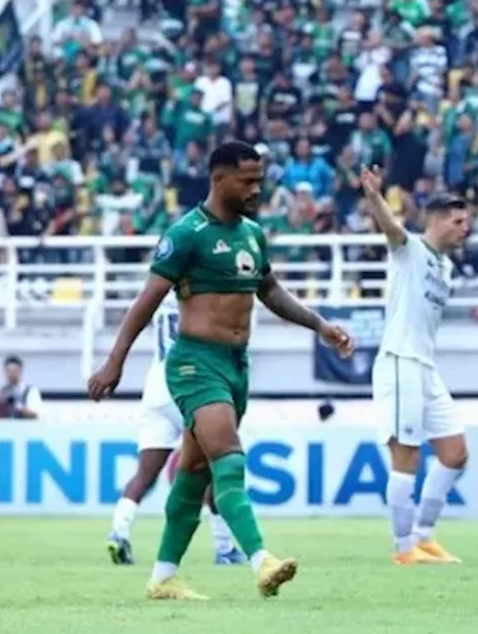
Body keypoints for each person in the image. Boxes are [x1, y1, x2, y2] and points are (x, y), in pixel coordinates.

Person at [87, 140, 355, 600]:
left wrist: (319, 325)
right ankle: (260, 561)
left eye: (259, 180)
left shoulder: (252, 233)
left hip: (236, 367)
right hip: (195, 364)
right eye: (247, 180)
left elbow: (269, 291)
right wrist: (116, 360)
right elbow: (147, 299)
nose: (257, 189)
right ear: (218, 179)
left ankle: (163, 577)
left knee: (193, 473)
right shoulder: (187, 232)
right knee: (228, 456)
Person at [364, 167, 473, 565]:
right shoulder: (409, 249)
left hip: (426, 367)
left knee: (456, 452)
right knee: (406, 456)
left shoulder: (446, 267)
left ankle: (424, 535)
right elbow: (392, 230)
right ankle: (402, 546)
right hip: (400, 361)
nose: (465, 230)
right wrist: (375, 197)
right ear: (438, 220)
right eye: (459, 222)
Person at [105, 288, 242, 567]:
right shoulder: (201, 292)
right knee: (217, 465)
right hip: (187, 381)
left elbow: (134, 315)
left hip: (155, 386)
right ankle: (225, 548)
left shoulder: (157, 293)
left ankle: (119, 532)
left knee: (145, 473)